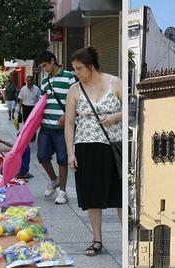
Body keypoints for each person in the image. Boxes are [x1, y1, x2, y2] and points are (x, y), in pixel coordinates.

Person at [64, 47, 122, 256]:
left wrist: (116, 117)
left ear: (91, 66)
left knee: (119, 195)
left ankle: (127, 243)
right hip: (86, 147)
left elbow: (132, 108)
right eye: (74, 69)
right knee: (92, 197)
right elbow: (69, 123)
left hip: (113, 146)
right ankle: (97, 239)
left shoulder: (115, 83)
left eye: (79, 68)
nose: (76, 73)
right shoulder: (75, 90)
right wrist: (71, 152)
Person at [37, 51, 76, 204]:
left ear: (52, 61)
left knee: (62, 159)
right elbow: (41, 105)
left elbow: (77, 99)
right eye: (42, 67)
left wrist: (67, 114)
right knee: (42, 156)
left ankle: (63, 192)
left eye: (45, 65)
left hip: (63, 128)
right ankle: (54, 180)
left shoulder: (69, 77)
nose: (44, 68)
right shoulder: (45, 81)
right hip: (46, 126)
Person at [17, 75, 41, 141]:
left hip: (33, 108)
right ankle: (27, 136)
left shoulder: (37, 89)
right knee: (26, 123)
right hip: (25, 107)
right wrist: (19, 109)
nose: (28, 82)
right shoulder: (23, 89)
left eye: (30, 81)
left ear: (32, 81)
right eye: (27, 81)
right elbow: (21, 99)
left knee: (33, 123)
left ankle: (33, 136)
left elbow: (39, 100)